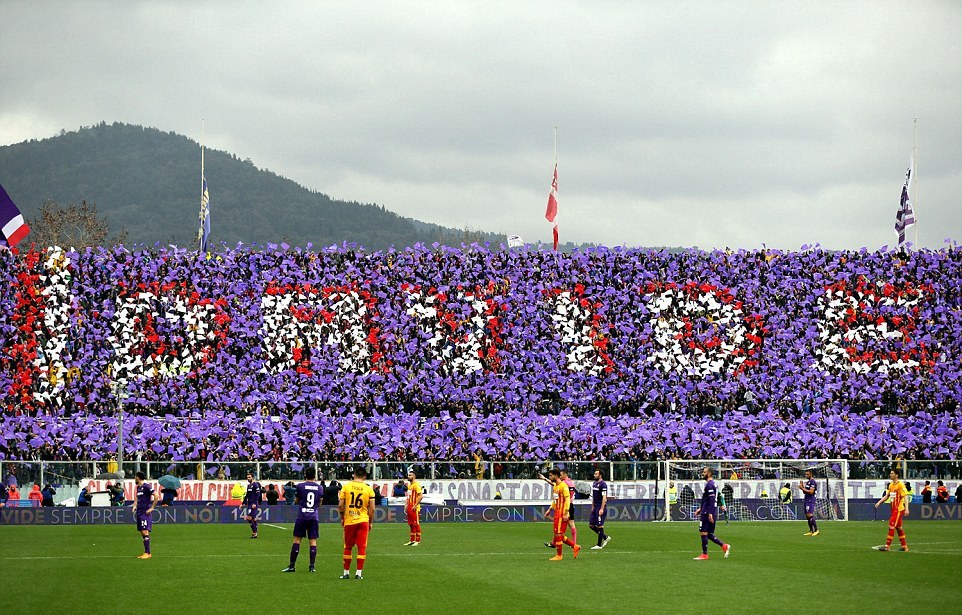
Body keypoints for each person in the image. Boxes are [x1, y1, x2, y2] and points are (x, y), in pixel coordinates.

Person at [281, 467, 322, 573]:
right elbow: (320, 502)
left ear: (305, 475)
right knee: (312, 541)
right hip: (314, 516)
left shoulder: (300, 486)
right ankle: (312, 567)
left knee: (297, 540)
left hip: (302, 516)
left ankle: (292, 566)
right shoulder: (320, 488)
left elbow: (297, 500)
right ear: (315, 476)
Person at [338, 467, 375, 580]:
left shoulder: (346, 487)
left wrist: (342, 518)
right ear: (364, 476)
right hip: (363, 520)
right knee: (361, 547)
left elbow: (340, 505)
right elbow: (372, 508)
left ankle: (346, 573)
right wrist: (370, 522)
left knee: (348, 547)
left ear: (354, 475)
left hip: (350, 520)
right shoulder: (369, 489)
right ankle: (358, 574)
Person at [693, 467, 731, 560]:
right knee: (708, 533)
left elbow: (712, 499)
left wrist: (709, 513)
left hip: (707, 512)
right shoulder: (714, 484)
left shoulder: (709, 485)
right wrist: (700, 508)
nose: (703, 473)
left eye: (704, 472)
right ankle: (724, 546)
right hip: (708, 510)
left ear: (709, 474)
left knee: (703, 532)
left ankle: (704, 554)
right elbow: (711, 498)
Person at [547, 468, 580, 561]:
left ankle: (559, 555)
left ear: (556, 476)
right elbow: (555, 500)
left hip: (562, 513)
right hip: (557, 512)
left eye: (551, 476)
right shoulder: (555, 486)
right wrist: (550, 509)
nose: (550, 477)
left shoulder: (563, 486)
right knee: (558, 534)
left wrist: (566, 512)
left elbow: (567, 499)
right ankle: (575, 546)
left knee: (558, 534)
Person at [873, 469, 909, 552]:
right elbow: (887, 496)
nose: (890, 474)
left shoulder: (901, 485)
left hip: (898, 509)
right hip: (893, 509)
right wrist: (879, 502)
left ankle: (887, 546)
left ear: (896, 475)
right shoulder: (891, 485)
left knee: (891, 526)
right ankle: (904, 547)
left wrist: (906, 509)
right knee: (899, 528)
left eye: (892, 473)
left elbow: (905, 497)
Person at [132, 471, 160, 559]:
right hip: (139, 512)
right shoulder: (138, 487)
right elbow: (137, 497)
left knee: (145, 531)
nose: (135, 478)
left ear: (138, 477)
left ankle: (148, 553)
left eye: (135, 477)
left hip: (145, 512)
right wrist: (135, 505)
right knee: (142, 532)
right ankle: (146, 552)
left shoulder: (147, 486)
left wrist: (152, 508)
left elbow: (156, 495)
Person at [589, 469, 610, 550]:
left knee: (600, 525)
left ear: (600, 475)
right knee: (591, 525)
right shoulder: (594, 483)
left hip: (600, 507)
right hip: (595, 507)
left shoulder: (603, 484)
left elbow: (604, 497)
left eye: (596, 474)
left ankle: (599, 545)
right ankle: (605, 537)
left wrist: (602, 508)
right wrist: (593, 506)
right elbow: (594, 496)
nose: (594, 475)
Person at [403, 469, 423, 546]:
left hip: (414, 507)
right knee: (411, 524)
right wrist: (406, 504)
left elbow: (420, 496)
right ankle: (412, 540)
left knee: (416, 524)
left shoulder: (416, 485)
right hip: (409, 506)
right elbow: (408, 496)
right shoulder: (409, 485)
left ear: (414, 476)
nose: (408, 477)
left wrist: (415, 505)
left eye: (410, 475)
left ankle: (418, 541)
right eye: (408, 475)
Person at [241, 472, 262, 538]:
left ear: (252, 477)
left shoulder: (255, 485)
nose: (248, 478)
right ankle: (255, 533)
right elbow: (247, 495)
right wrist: (243, 503)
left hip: (253, 504)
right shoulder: (249, 485)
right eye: (247, 477)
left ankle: (254, 532)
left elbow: (258, 495)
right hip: (249, 504)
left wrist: (254, 503)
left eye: (249, 477)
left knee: (249, 518)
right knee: (253, 518)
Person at [799, 470, 819, 536]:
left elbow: (811, 492)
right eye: (805, 474)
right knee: (807, 516)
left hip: (810, 500)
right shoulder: (808, 482)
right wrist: (803, 487)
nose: (806, 476)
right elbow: (805, 492)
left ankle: (816, 530)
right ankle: (811, 530)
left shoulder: (813, 482)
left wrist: (802, 488)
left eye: (807, 474)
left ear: (811, 474)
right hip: (807, 499)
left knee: (810, 514)